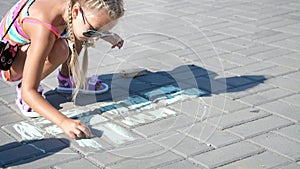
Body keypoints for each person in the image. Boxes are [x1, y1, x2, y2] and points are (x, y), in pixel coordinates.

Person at [0, 0, 124, 139]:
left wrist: (106, 35)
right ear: (76, 11)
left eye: (103, 30)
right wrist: (64, 122)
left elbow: (83, 25)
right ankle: (28, 84)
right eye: (93, 31)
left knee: (79, 32)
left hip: (28, 44)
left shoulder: (73, 7)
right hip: (7, 64)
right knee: (61, 48)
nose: (96, 36)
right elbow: (28, 92)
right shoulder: (44, 29)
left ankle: (66, 80)